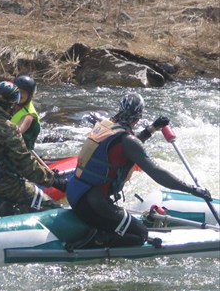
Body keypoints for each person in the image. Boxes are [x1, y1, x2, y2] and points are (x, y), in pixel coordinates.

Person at [66, 92, 212, 249]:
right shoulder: (128, 141)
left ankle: (100, 229)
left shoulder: (105, 126)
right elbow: (156, 173)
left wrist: (152, 129)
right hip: (95, 205)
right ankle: (97, 239)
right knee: (140, 234)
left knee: (126, 224)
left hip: (75, 193)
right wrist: (192, 189)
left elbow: (122, 149)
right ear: (138, 116)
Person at [0, 80, 68, 216]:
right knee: (52, 207)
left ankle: (10, 208)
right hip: (6, 186)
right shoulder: (6, 128)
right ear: (13, 104)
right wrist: (55, 181)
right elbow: (26, 166)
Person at [0, 73, 41, 150]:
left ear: (30, 95)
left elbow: (16, 133)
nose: (20, 94)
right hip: (6, 147)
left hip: (21, 152)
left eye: (24, 92)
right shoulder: (12, 102)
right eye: (18, 90)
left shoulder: (29, 115)